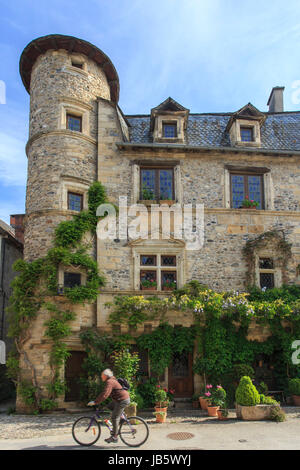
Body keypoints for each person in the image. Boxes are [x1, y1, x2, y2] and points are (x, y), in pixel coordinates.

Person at [87, 368, 130, 444]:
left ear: (106, 376)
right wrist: (97, 400)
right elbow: (104, 392)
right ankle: (122, 417)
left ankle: (114, 437)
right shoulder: (111, 380)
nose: (101, 377)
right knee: (108, 407)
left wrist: (95, 402)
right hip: (119, 400)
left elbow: (105, 394)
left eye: (102, 376)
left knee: (114, 417)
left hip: (122, 400)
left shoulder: (110, 382)